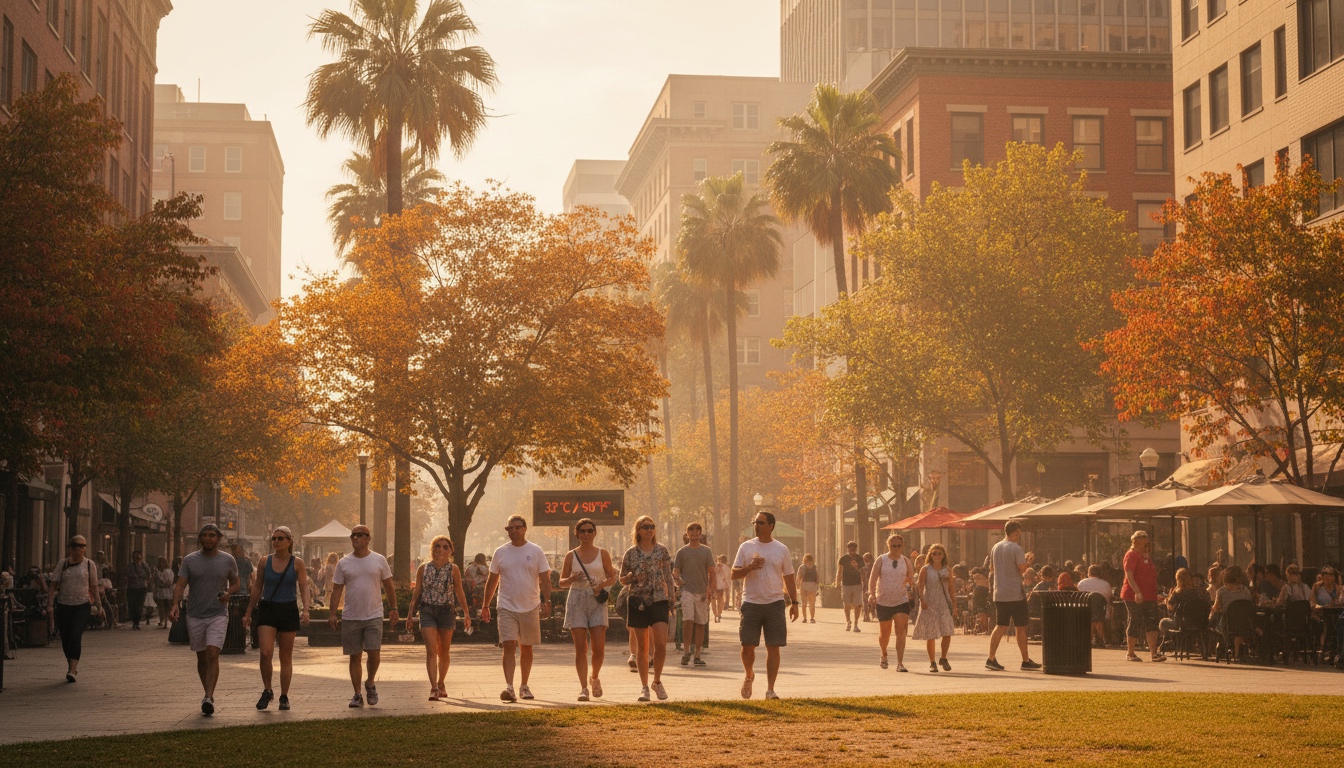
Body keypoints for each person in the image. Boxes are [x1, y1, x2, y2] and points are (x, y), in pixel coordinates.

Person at [480, 515, 552, 703]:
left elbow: (545, 578)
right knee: (509, 644)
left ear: (525, 528)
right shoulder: (500, 552)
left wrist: (547, 601)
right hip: (506, 606)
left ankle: (524, 686)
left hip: (530, 605)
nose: (513, 531)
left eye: (517, 527)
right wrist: (485, 605)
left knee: (526, 647)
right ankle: (509, 687)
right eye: (510, 528)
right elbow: (492, 580)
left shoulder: (535, 550)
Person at [170, 524, 240, 715]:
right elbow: (180, 585)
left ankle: (209, 696)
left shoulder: (228, 560)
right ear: (200, 539)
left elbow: (236, 583)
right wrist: (175, 604)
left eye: (212, 535)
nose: (208, 539)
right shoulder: (190, 560)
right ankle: (206, 692)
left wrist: (228, 592)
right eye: (205, 535)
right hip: (195, 614)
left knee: (212, 653)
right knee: (201, 657)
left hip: (218, 613)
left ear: (218, 538)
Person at [327, 524, 398, 708]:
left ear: (368, 538)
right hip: (351, 616)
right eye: (353, 535)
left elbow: (389, 585)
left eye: (360, 535)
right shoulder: (344, 563)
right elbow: (336, 589)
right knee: (355, 656)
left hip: (373, 614)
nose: (355, 538)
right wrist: (332, 613)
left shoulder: (379, 560)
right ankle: (358, 694)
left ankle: (370, 682)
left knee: (374, 652)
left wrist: (394, 608)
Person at [732, 510, 799, 700]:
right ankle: (749, 675)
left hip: (775, 602)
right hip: (751, 602)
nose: (757, 525)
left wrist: (794, 602)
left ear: (771, 526)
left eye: (761, 523)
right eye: (755, 522)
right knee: (748, 646)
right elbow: (733, 574)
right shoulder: (746, 547)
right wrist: (750, 567)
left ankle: (770, 689)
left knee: (773, 646)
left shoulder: (781, 549)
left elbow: (789, 576)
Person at [242, 526, 310, 711]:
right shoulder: (265, 561)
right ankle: (267, 690)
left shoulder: (297, 563)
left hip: (287, 608)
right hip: (268, 608)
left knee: (285, 656)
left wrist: (306, 609)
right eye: (274, 538)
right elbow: (257, 587)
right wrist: (248, 612)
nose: (276, 542)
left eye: (280, 538)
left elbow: (304, 586)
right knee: (265, 652)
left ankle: (284, 696)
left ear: (289, 541)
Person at [406, 535, 471, 701]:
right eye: (437, 546)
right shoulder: (423, 568)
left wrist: (466, 613)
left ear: (450, 551)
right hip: (427, 610)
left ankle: (441, 682)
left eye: (445, 547)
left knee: (444, 650)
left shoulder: (453, 569)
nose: (441, 549)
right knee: (431, 650)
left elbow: (459, 591)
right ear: (432, 549)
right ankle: (434, 687)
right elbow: (417, 592)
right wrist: (410, 614)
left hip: (446, 611)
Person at [559, 518, 615, 701]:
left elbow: (613, 576)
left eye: (590, 531)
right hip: (577, 600)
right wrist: (571, 579)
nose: (586, 534)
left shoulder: (602, 553)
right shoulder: (571, 555)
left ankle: (595, 677)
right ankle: (583, 687)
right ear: (577, 533)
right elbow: (561, 582)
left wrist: (601, 585)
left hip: (597, 600)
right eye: (582, 531)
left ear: (595, 533)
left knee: (598, 648)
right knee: (581, 648)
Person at [619, 515, 674, 702]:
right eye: (645, 527)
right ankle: (644, 687)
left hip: (659, 599)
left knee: (660, 644)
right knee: (642, 646)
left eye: (652, 526)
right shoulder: (631, 553)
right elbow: (622, 579)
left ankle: (656, 681)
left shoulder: (662, 551)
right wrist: (630, 577)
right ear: (638, 531)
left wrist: (672, 598)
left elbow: (668, 576)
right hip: (637, 600)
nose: (649, 530)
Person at [985, 521, 1040, 671]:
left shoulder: (995, 547)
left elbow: (991, 567)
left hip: (1000, 592)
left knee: (1000, 625)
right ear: (1015, 532)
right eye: (1019, 533)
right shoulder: (1016, 548)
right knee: (1021, 626)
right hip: (1015, 593)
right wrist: (1028, 560)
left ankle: (991, 657)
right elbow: (1022, 569)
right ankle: (1025, 660)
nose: (1019, 536)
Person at [46, 535, 100, 683]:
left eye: (83, 546)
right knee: (66, 638)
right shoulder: (62, 564)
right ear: (70, 548)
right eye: (76, 546)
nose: (80, 549)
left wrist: (99, 606)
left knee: (75, 635)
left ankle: (72, 669)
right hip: (64, 605)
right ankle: (70, 664)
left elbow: (94, 586)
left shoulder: (90, 564)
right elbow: (53, 585)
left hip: (82, 605)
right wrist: (50, 604)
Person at [867, 534, 914, 671]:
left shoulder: (906, 561)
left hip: (901, 600)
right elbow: (873, 577)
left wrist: (908, 590)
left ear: (902, 546)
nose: (896, 548)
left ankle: (900, 663)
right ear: (889, 545)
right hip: (883, 600)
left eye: (899, 546)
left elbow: (910, 579)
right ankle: (884, 653)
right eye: (894, 545)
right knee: (885, 633)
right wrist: (871, 594)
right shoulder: (881, 560)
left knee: (901, 631)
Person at [673, 521, 716, 668]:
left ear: (700, 534)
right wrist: (678, 581)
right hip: (687, 591)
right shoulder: (682, 552)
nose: (694, 534)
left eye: (697, 531)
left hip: (702, 592)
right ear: (687, 534)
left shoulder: (706, 551)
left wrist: (711, 590)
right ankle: (686, 651)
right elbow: (676, 570)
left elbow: (711, 571)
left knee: (700, 624)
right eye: (691, 531)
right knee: (687, 621)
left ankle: (697, 654)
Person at [912, 543, 959, 673]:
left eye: (939, 553)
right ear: (930, 555)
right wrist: (922, 600)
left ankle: (943, 658)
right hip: (930, 602)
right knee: (931, 634)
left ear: (943, 555)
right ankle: (932, 662)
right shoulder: (926, 569)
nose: (937, 556)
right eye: (934, 553)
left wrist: (954, 605)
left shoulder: (947, 570)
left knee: (947, 631)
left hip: (944, 603)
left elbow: (951, 588)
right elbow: (920, 586)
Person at [1121, 530, 1165, 662]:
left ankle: (1154, 654)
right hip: (1133, 595)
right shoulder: (1131, 555)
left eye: (1147, 537)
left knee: (1151, 622)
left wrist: (1154, 593)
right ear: (1136, 540)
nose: (1147, 540)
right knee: (1135, 621)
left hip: (1149, 595)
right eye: (1144, 538)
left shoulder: (1146, 556)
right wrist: (1137, 592)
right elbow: (1129, 575)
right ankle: (1130, 653)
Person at [1210, 565, 1254, 660]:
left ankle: (1220, 645)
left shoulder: (1221, 592)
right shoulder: (1245, 590)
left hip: (1228, 624)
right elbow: (1249, 604)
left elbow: (1217, 608)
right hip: (1244, 623)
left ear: (1225, 580)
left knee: (1215, 618)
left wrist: (1212, 609)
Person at [1159, 567, 1208, 648]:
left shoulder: (1177, 592)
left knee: (1163, 622)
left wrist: (1170, 597)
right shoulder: (1196, 592)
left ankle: (1171, 641)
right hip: (1197, 622)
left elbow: (1170, 608)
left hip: (1181, 622)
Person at [1077, 564, 1113, 647]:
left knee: (1092, 619)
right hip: (1100, 610)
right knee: (1097, 619)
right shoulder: (1106, 584)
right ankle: (1105, 640)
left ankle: (1088, 639)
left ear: (1089, 573)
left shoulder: (1081, 583)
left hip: (1085, 610)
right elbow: (1108, 598)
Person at [836, 541, 864, 632]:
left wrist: (864, 582)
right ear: (847, 549)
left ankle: (856, 623)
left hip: (857, 583)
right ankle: (848, 621)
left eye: (854, 548)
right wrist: (837, 582)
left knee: (857, 605)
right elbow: (839, 571)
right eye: (851, 548)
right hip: (846, 584)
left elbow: (863, 571)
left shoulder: (860, 558)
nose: (852, 550)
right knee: (847, 604)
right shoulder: (843, 559)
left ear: (856, 549)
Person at [124, 550, 152, 630]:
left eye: (138, 557)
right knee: (132, 605)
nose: (137, 559)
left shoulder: (144, 565)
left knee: (139, 605)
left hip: (142, 588)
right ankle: (134, 621)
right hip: (131, 588)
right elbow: (125, 575)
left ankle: (137, 622)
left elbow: (149, 575)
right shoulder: (130, 566)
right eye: (135, 557)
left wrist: (147, 582)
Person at [464, 552, 489, 618]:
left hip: (472, 591)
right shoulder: (487, 569)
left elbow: (467, 580)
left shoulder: (469, 568)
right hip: (485, 592)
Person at [797, 553, 820, 623]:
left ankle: (805, 618)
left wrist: (797, 584)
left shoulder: (802, 567)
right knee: (812, 603)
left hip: (804, 585)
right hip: (812, 585)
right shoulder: (815, 567)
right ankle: (812, 618)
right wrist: (817, 585)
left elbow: (798, 577)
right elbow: (817, 577)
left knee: (804, 603)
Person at [153, 556, 175, 629]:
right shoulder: (157, 572)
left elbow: (170, 581)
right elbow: (156, 581)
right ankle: (161, 620)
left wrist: (165, 584)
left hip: (168, 592)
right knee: (161, 607)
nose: (161, 564)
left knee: (167, 607)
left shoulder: (169, 571)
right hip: (160, 592)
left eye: (163, 562)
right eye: (160, 562)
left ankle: (165, 621)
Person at [713, 555, 731, 622]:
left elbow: (727, 577)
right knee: (714, 600)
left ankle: (719, 613)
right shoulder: (714, 566)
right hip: (714, 585)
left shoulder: (725, 567)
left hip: (720, 586)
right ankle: (716, 614)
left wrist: (727, 585)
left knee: (720, 600)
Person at [860, 552, 876, 623]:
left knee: (870, 601)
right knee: (866, 601)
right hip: (866, 586)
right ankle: (867, 615)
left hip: (871, 586)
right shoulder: (863, 569)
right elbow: (861, 578)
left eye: (867, 558)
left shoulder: (874, 567)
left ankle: (870, 614)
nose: (866, 560)